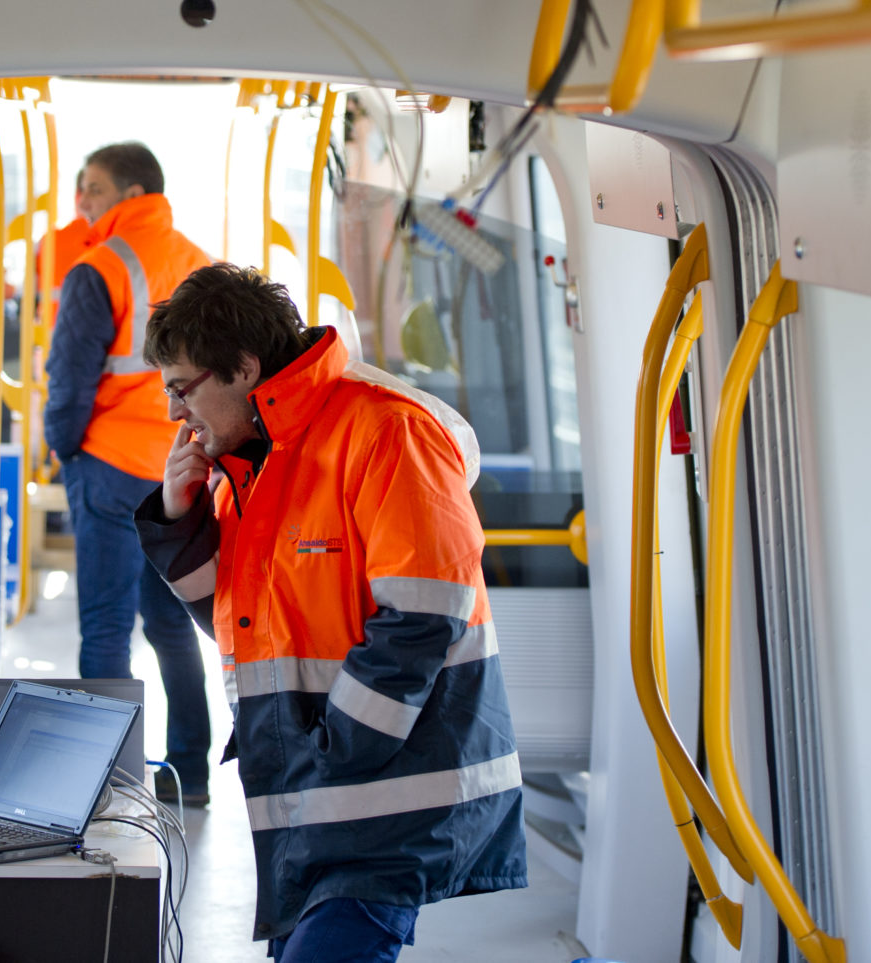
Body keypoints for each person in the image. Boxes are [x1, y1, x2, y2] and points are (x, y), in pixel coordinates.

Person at [135, 264, 525, 961]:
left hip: (379, 801)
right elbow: (238, 621)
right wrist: (177, 516)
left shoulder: (385, 430)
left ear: (244, 368)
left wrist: (333, 750)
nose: (173, 412)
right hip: (314, 798)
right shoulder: (251, 464)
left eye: (180, 387)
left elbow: (422, 616)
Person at [43, 142, 214, 806]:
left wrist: (66, 450)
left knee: (107, 625)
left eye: (91, 188)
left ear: (129, 192)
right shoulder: (201, 264)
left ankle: (107, 780)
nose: (81, 201)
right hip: (175, 468)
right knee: (174, 626)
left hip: (110, 467)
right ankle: (190, 774)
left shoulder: (98, 267)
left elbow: (70, 380)